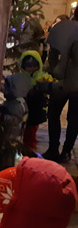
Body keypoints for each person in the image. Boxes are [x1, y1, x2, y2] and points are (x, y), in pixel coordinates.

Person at [41, 19, 78, 163]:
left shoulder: (64, 29)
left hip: (61, 80)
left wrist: (53, 70)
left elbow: (53, 52)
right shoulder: (66, 29)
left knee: (54, 114)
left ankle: (53, 149)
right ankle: (66, 151)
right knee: (72, 119)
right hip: (69, 83)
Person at [19, 51, 49, 150]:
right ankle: (28, 147)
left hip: (35, 110)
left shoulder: (41, 79)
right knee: (27, 130)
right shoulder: (22, 78)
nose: (31, 68)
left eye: (34, 66)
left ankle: (30, 148)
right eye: (28, 66)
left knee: (31, 131)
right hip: (25, 108)